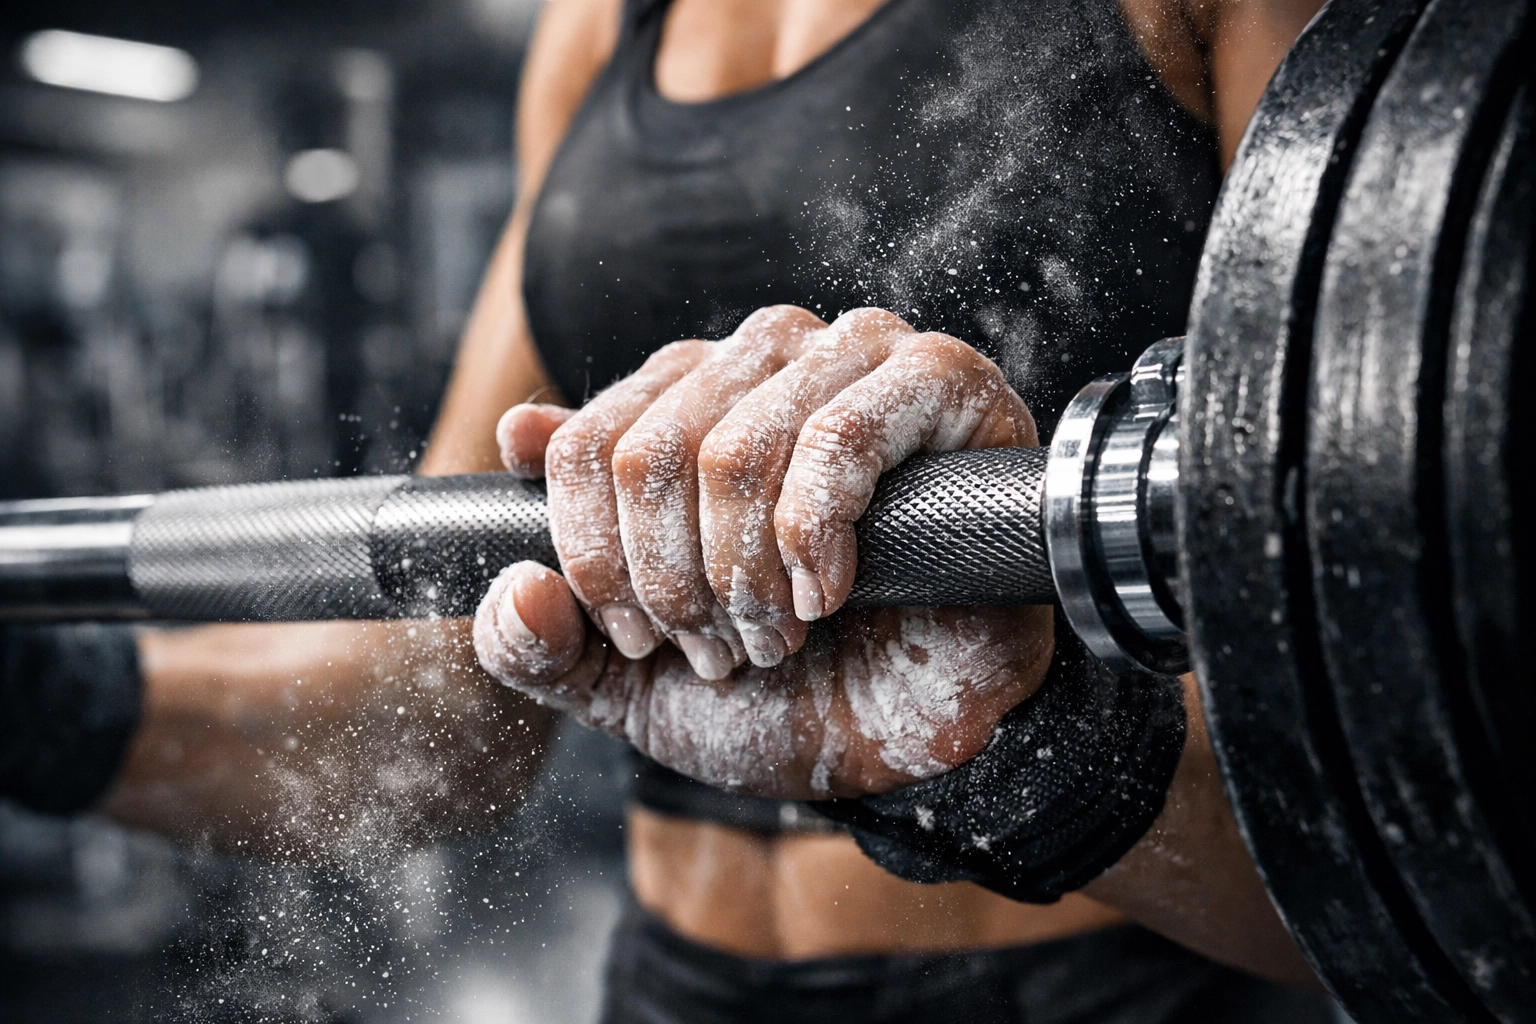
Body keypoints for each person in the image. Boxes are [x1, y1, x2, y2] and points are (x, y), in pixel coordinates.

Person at [3, 0, 1338, 1020]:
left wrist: (1043, 758)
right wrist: (36, 691)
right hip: (671, 980)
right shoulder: (599, 35)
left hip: (1108, 977)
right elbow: (439, 700)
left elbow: (1406, 776)